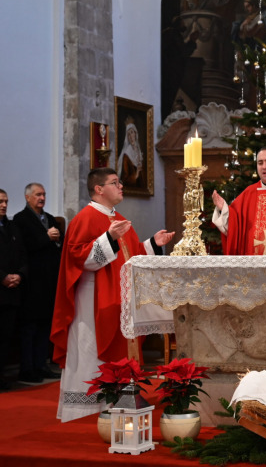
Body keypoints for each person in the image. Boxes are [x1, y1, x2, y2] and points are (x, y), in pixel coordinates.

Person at [50, 168, 174, 421]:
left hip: (117, 297)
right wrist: (109, 237)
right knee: (89, 347)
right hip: (91, 299)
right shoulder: (85, 218)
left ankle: (115, 400)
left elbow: (132, 255)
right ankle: (84, 409)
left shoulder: (119, 218)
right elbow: (79, 258)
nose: (121, 187)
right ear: (98, 189)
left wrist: (152, 244)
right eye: (114, 183)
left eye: (119, 183)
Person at [13, 183, 63, 384]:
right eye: (37, 195)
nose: (41, 198)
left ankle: (41, 365)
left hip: (49, 280)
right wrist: (46, 237)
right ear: (27, 197)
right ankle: (27, 368)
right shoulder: (20, 219)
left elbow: (59, 241)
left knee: (45, 325)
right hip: (32, 281)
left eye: (43, 194)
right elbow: (23, 247)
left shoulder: (50, 218)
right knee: (30, 327)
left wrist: (57, 239)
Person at [0, 188, 28, 390]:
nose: (3, 205)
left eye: (6, 202)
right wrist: (2, 277)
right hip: (0, 287)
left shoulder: (12, 227)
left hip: (12, 291)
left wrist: (20, 274)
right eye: (0, 201)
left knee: (6, 336)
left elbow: (23, 255)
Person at [118, 116, 144, 189]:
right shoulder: (126, 154)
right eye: (128, 134)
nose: (130, 136)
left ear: (135, 134)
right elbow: (124, 179)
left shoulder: (139, 151)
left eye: (132, 132)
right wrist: (136, 174)